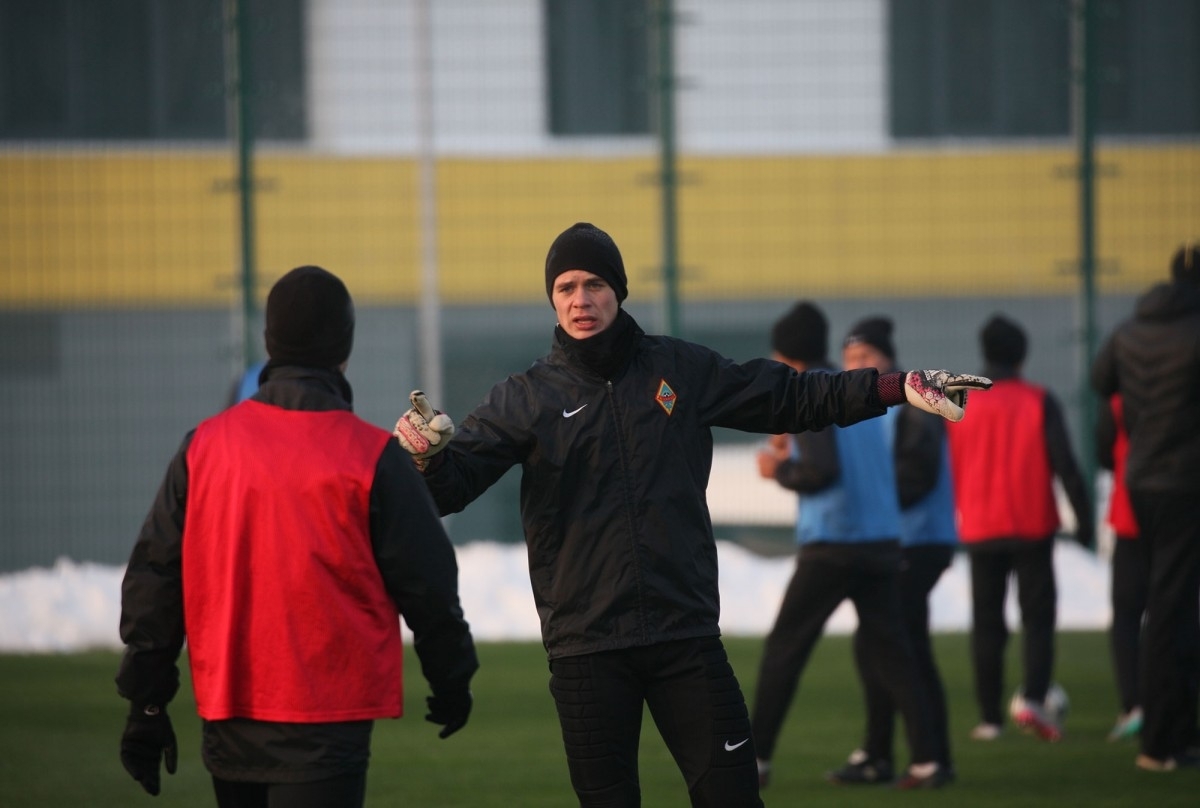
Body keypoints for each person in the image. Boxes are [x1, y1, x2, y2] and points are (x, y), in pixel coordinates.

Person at [391, 222, 990, 807]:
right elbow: (450, 488)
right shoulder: (524, 398)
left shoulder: (678, 369)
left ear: (619, 291)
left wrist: (894, 387)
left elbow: (794, 397)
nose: (581, 300)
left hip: (684, 634)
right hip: (586, 648)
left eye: (594, 284)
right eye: (566, 287)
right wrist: (426, 461)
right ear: (552, 299)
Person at [116, 265, 479, 806]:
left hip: (231, 714)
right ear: (345, 347)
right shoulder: (371, 456)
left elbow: (156, 577)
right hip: (329, 720)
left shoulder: (204, 448)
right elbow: (428, 582)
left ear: (270, 342)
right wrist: (451, 677)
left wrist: (146, 703)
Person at [748, 306, 949, 791]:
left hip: (834, 541)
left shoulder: (807, 391)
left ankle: (755, 760)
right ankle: (929, 760)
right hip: (882, 540)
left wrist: (780, 470)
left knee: (784, 650)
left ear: (784, 354)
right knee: (894, 654)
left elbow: (823, 470)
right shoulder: (860, 392)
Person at [946, 314, 1093, 744]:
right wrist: (1084, 521)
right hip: (1032, 524)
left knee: (987, 624)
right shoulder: (1038, 400)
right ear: (1022, 356)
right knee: (1038, 619)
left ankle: (990, 718)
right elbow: (1066, 464)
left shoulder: (959, 400)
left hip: (979, 525)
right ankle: (1032, 698)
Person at [1092, 242, 1200, 772]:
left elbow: (1100, 382)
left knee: (1170, 605)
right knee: (1171, 608)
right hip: (1185, 480)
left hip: (1142, 479)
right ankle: (1161, 741)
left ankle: (1174, 734)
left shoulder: (1128, 331)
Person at [835, 316, 957, 782]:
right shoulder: (866, 406)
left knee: (889, 645)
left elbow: (916, 475)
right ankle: (894, 754)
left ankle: (908, 756)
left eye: (865, 356)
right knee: (895, 644)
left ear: (887, 358)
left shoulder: (913, 400)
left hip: (918, 540)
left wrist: (865, 503)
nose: (856, 366)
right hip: (897, 540)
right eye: (849, 358)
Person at [1096, 392, 1146, 742]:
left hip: (1131, 513)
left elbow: (1104, 454)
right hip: (1181, 515)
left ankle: (1134, 705)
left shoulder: (1119, 400)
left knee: (1127, 616)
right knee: (1177, 613)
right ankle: (1174, 703)